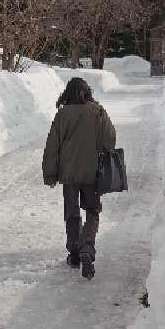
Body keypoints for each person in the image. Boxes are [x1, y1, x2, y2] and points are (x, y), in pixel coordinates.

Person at [42, 77, 116, 280]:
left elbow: (52, 146)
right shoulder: (97, 111)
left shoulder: (62, 114)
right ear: (87, 91)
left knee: (72, 211)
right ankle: (87, 248)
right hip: (92, 172)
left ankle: (74, 253)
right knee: (92, 210)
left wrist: (50, 173)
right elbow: (109, 140)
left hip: (69, 173)